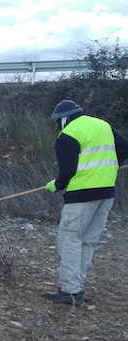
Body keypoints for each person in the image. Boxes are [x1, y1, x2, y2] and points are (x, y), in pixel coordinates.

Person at [44, 100, 128, 304]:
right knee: (86, 241)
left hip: (81, 196)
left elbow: (67, 171)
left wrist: (57, 185)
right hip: (106, 193)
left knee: (69, 240)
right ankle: (76, 287)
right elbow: (125, 148)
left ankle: (70, 292)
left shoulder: (68, 133)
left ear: (63, 119)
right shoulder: (103, 125)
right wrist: (107, 170)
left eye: (58, 122)